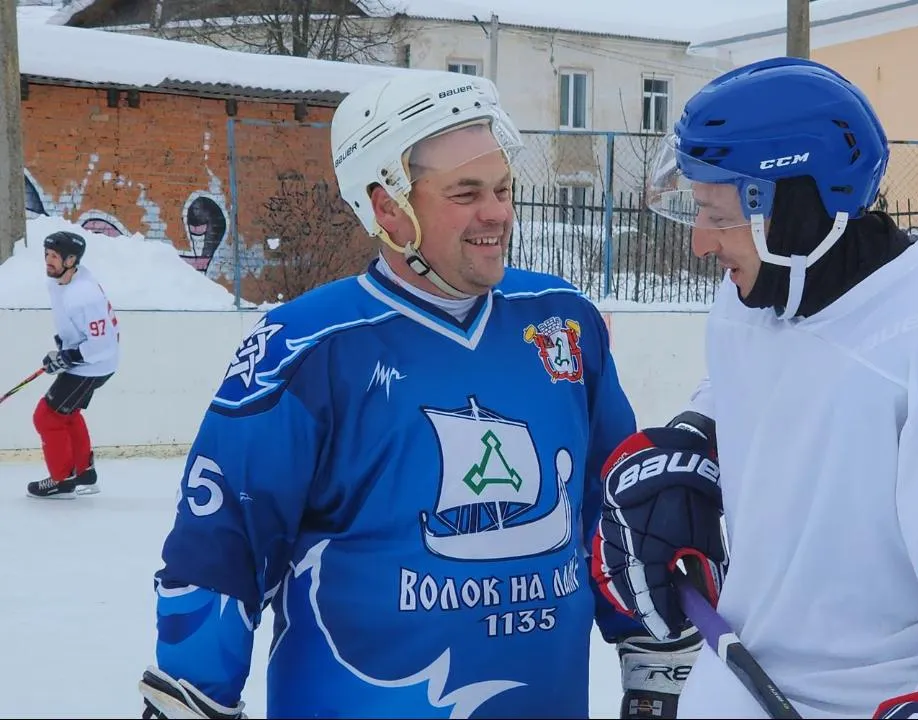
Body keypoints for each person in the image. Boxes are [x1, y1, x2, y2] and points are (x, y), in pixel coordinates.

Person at [138, 71, 697, 719]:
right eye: (466, 193)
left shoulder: (560, 320)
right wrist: (192, 697)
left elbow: (617, 507)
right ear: (387, 209)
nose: (498, 213)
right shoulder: (307, 348)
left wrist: (655, 656)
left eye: (503, 188)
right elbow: (221, 545)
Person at [590, 57, 918, 720]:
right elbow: (752, 387)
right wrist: (694, 441)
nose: (700, 242)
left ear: (794, 206)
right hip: (739, 682)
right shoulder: (753, 297)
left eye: (716, 214)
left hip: (887, 698)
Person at [27, 230, 118, 499]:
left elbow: (103, 344)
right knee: (67, 413)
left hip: (94, 365)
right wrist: (62, 348)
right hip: (86, 360)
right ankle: (84, 474)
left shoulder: (84, 294)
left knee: (46, 416)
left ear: (71, 260)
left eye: (55, 256)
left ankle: (62, 481)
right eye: (47, 254)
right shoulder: (60, 282)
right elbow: (74, 325)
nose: (48, 260)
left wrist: (69, 357)